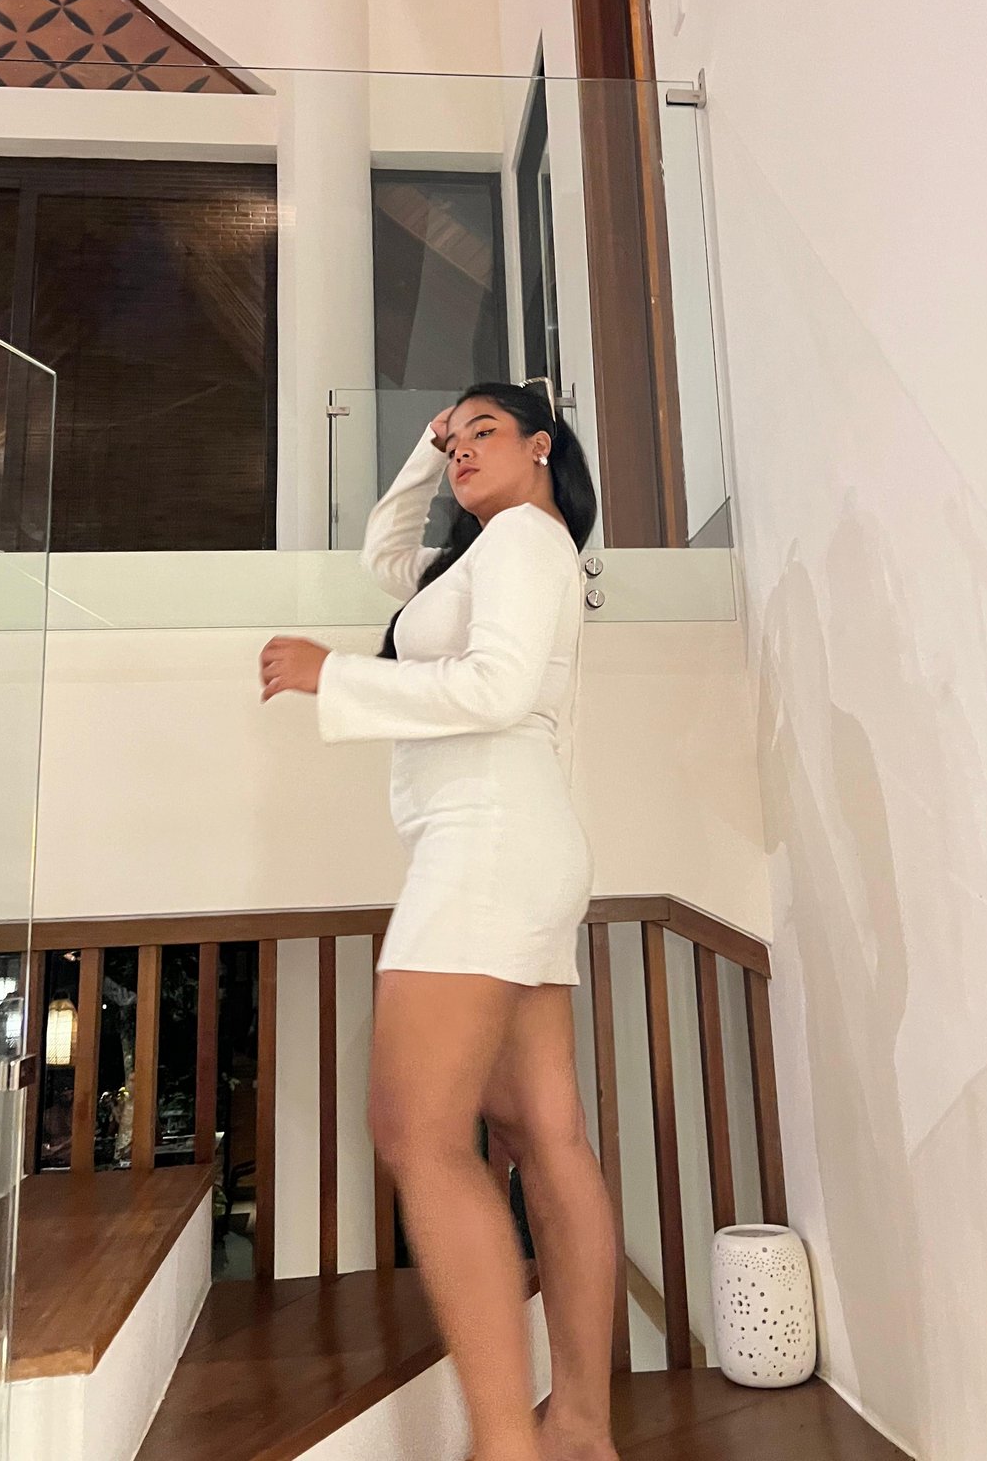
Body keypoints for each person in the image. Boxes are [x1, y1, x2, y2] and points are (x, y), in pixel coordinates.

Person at [260, 382, 619, 1461]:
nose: (462, 450)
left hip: (488, 840)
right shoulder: (492, 551)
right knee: (542, 1135)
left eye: (484, 432)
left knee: (419, 1132)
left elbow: (497, 690)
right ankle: (579, 1432)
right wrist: (426, 453)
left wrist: (335, 676)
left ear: (543, 445)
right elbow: (384, 553)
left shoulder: (523, 539)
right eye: (452, 436)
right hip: (516, 842)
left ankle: (507, 1445)